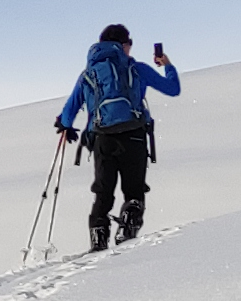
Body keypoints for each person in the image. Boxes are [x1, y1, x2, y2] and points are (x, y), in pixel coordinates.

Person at [53, 23, 180, 252]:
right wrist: (167, 65)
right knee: (134, 191)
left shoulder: (89, 74)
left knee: (103, 192)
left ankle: (98, 240)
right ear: (123, 45)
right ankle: (128, 230)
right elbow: (173, 89)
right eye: (129, 44)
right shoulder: (137, 69)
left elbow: (70, 110)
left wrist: (65, 125)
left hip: (103, 139)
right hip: (135, 136)